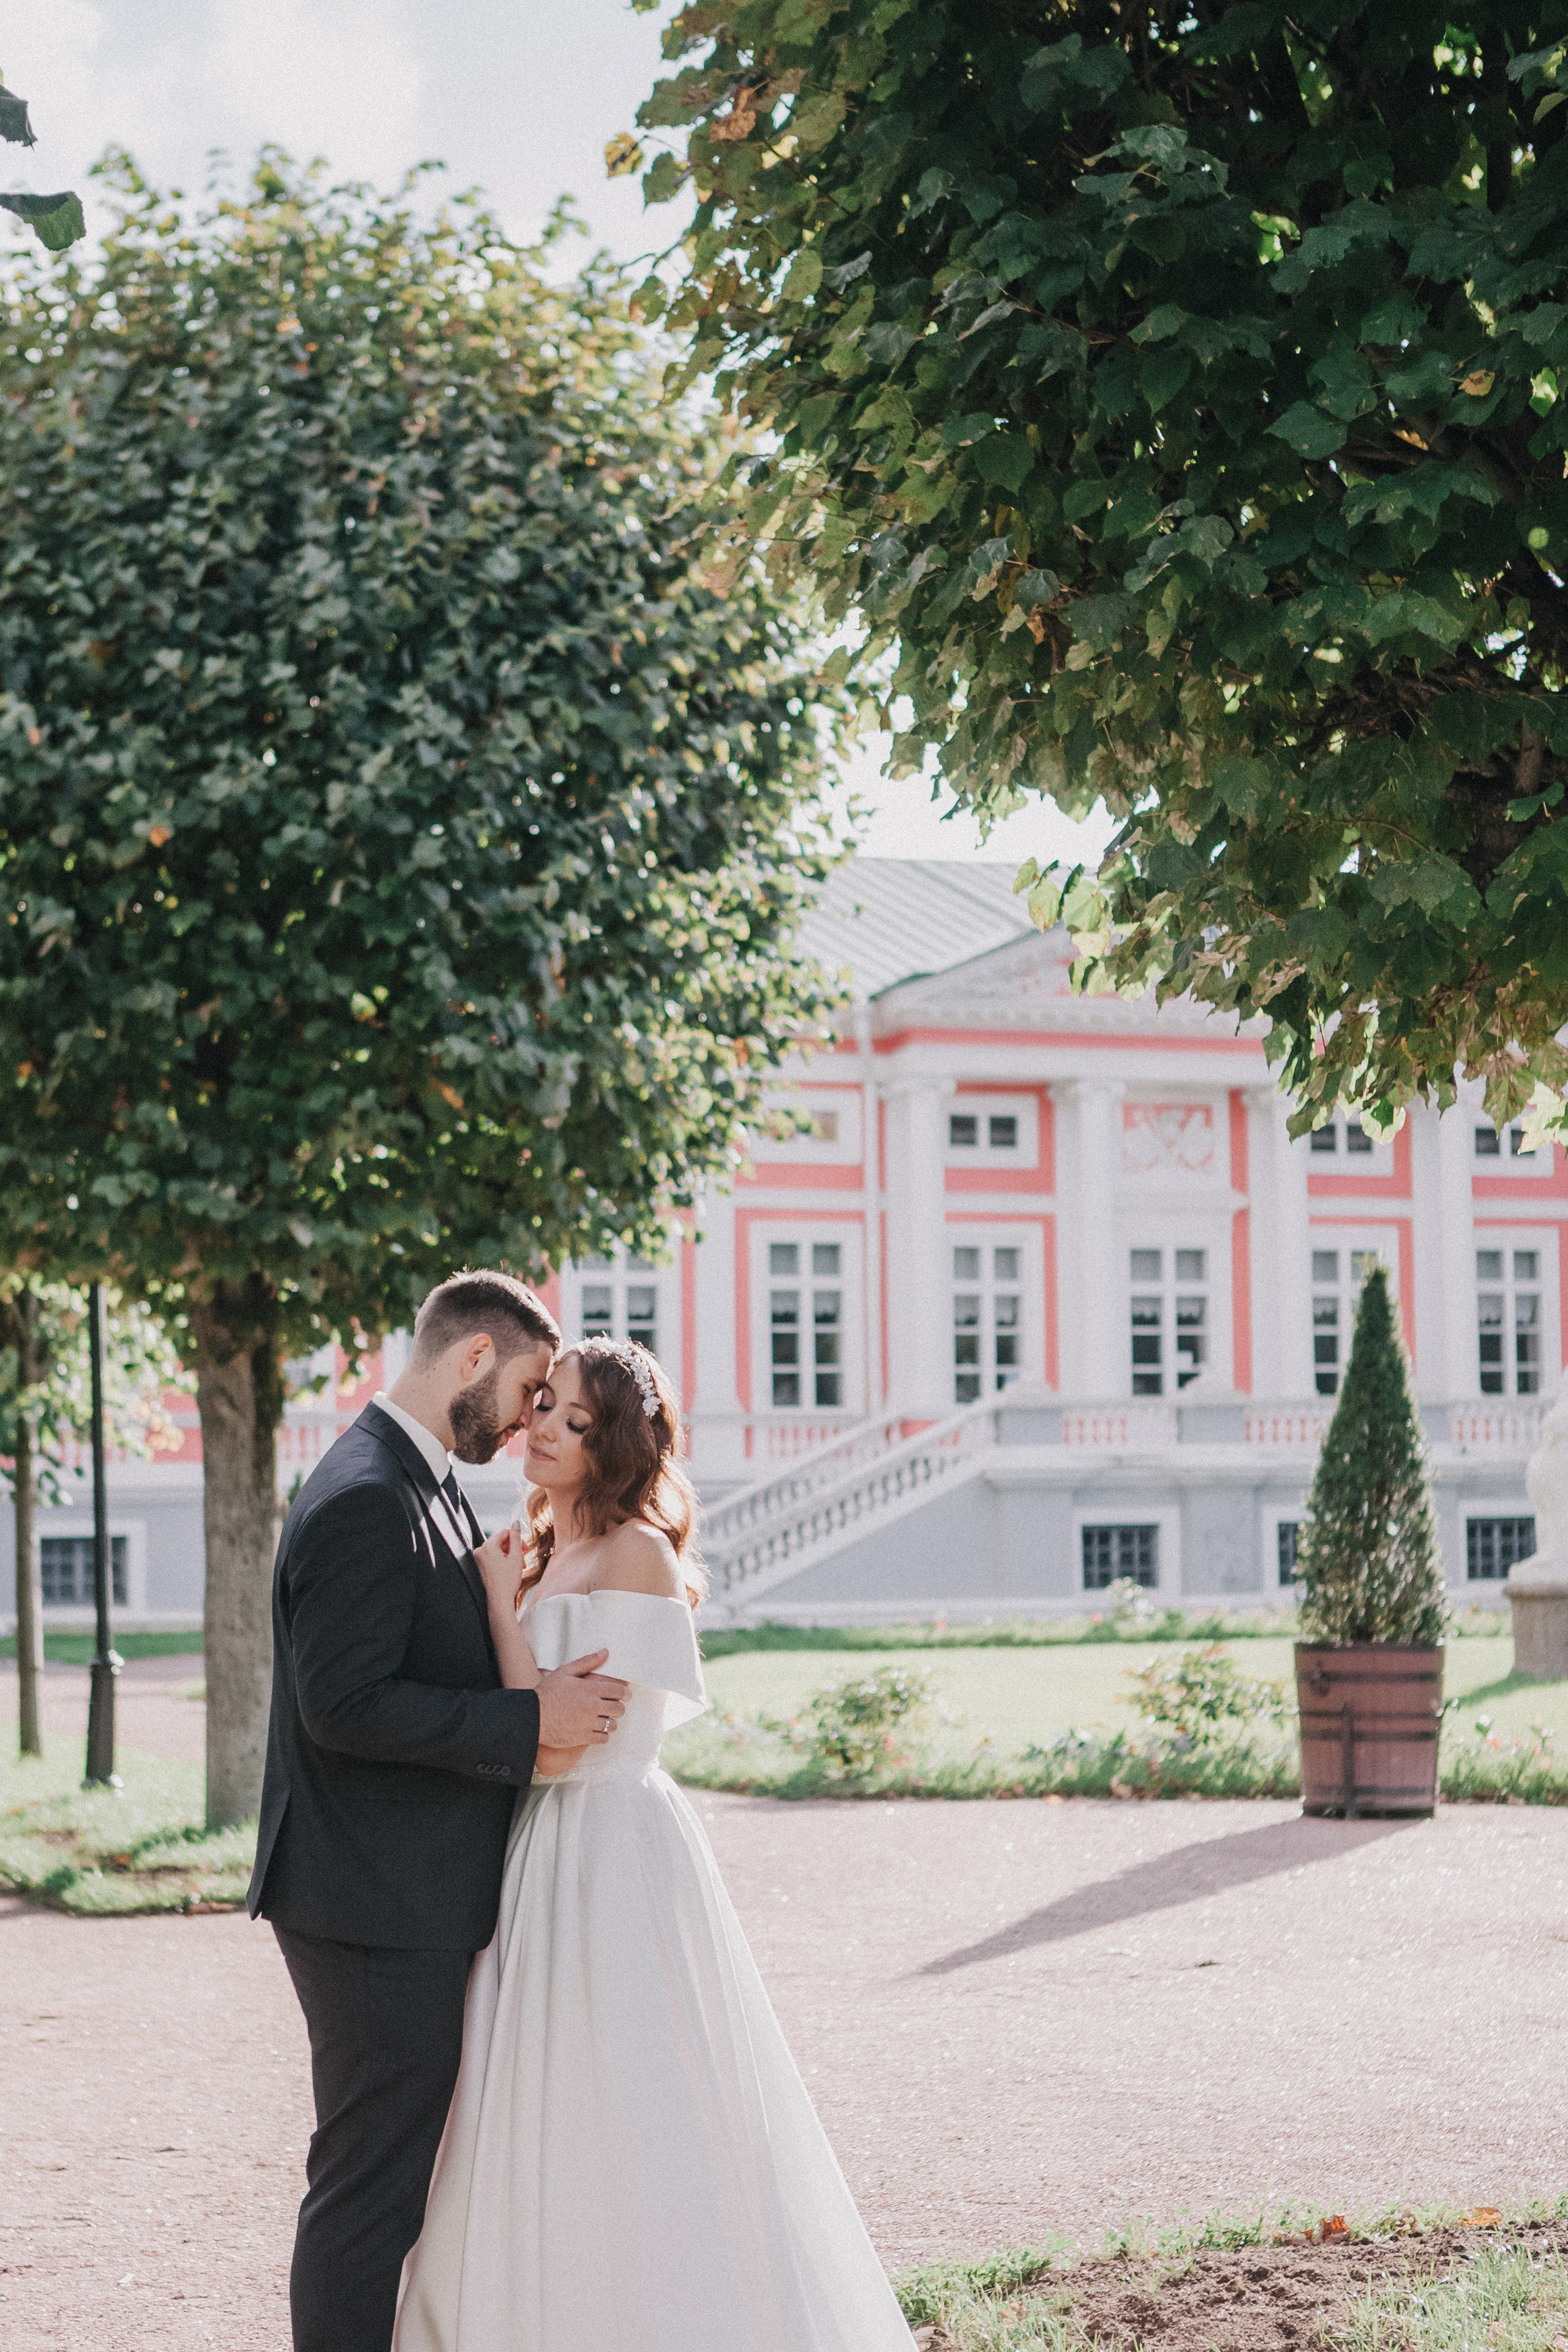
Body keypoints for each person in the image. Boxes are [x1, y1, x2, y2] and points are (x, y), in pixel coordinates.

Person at [393, 1335, 916, 2352]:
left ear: (618, 1446)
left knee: (633, 2094)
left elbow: (561, 1744)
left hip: (610, 1851)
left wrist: (498, 1611)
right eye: (545, 1404)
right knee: (530, 2096)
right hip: (537, 1852)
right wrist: (511, 1616)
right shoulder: (542, 1550)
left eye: (577, 1421)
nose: (544, 1428)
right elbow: (531, 1722)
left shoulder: (637, 1553)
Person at [248, 1270, 631, 2352]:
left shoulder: (420, 1479)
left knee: (390, 2178)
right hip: (370, 1903)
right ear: (472, 1359)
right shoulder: (368, 1495)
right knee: (369, 2188)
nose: (526, 1421)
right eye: (526, 1392)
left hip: (396, 1888)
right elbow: (344, 1705)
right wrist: (532, 1719)